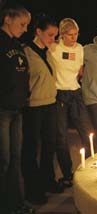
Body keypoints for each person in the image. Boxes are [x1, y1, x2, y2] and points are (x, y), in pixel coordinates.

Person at [22, 13, 64, 206]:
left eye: (55, 36)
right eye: (49, 35)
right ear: (38, 31)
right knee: (32, 148)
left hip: (50, 103)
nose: (52, 39)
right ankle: (33, 189)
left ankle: (48, 180)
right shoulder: (27, 52)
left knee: (50, 145)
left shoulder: (47, 53)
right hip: (34, 107)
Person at [49, 18, 93, 187]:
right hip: (59, 93)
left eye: (76, 34)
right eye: (70, 35)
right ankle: (67, 174)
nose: (74, 38)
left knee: (86, 129)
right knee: (61, 136)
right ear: (62, 34)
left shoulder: (80, 49)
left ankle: (90, 168)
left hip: (75, 92)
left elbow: (79, 70)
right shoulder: (54, 48)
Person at [0, 3, 34, 213]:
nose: (25, 29)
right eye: (22, 24)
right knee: (3, 160)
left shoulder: (17, 44)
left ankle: (17, 203)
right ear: (8, 19)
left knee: (15, 158)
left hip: (17, 109)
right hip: (2, 110)